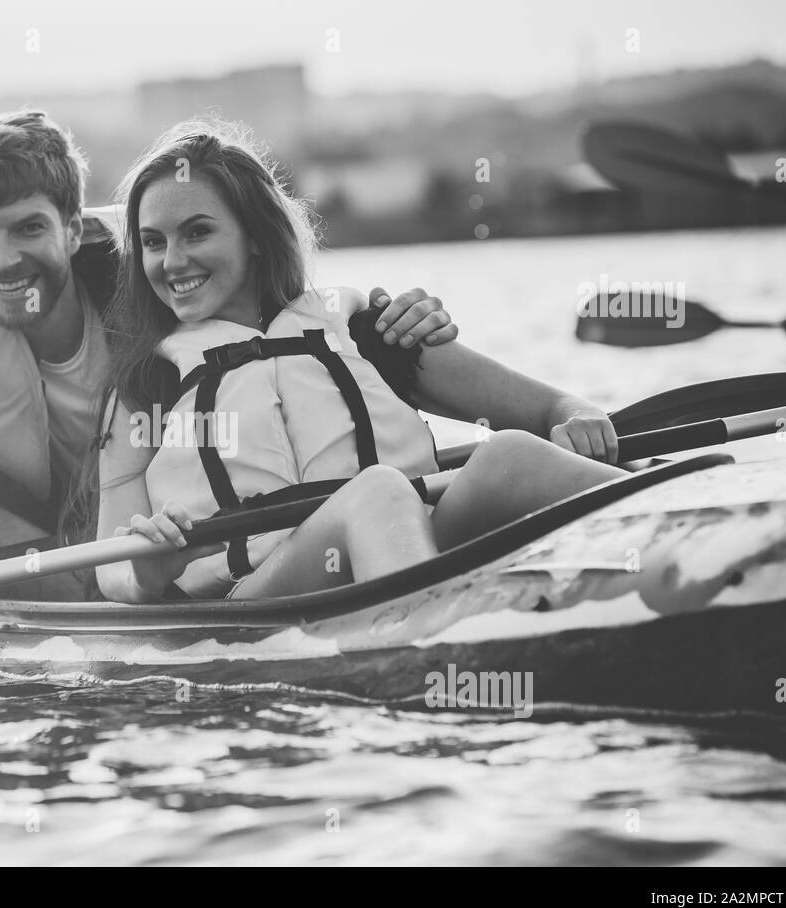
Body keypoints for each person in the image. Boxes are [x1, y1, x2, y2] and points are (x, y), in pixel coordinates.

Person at [0, 110, 462, 598]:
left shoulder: (148, 265)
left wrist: (398, 324)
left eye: (28, 228)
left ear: (72, 230)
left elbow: (283, 326)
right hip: (18, 535)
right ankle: (95, 607)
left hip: (122, 519)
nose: (3, 259)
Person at [95, 121, 627, 603]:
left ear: (255, 236)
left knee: (507, 454)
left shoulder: (361, 329)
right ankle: (429, 650)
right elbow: (109, 570)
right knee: (376, 490)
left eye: (197, 232)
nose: (172, 261)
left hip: (413, 543)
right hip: (264, 594)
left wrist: (579, 416)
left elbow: (552, 407)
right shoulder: (148, 384)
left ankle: (686, 531)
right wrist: (148, 571)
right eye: (152, 242)